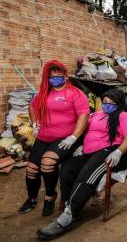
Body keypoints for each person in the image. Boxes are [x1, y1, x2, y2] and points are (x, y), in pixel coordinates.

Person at [37, 89, 127, 240]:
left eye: (111, 103)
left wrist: (118, 152)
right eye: (105, 102)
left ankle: (69, 215)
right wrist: (80, 144)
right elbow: (84, 128)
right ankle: (68, 205)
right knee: (67, 168)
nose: (107, 105)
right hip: (88, 151)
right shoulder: (96, 114)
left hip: (110, 153)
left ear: (119, 104)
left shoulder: (124, 117)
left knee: (87, 175)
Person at [18, 60, 89, 216]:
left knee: (47, 163)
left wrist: (73, 136)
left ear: (65, 75)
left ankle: (50, 197)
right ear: (47, 78)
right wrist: (34, 122)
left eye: (58, 75)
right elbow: (32, 106)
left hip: (65, 137)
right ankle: (31, 199)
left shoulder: (75, 93)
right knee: (31, 169)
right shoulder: (44, 92)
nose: (55, 78)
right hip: (43, 136)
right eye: (51, 76)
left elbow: (84, 115)